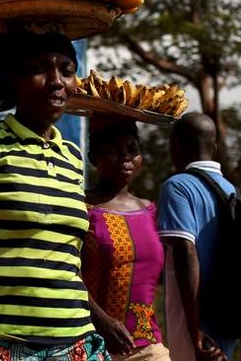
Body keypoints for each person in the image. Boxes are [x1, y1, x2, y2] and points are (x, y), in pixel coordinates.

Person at [0, 32, 111, 360]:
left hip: (74, 341)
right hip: (2, 343)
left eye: (67, 70)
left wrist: (99, 318)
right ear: (14, 77)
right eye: (40, 69)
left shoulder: (72, 156)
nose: (57, 81)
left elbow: (66, 260)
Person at [157, 113, 241, 361]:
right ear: (214, 149)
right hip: (228, 321)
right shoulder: (234, 192)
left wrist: (194, 329)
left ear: (176, 147)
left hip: (196, 326)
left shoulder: (178, 186)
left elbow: (186, 252)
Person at [82, 117, 170, 361]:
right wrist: (103, 321)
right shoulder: (82, 208)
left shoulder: (151, 211)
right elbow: (66, 272)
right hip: (92, 346)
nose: (126, 158)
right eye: (112, 151)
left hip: (148, 346)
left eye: (132, 150)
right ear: (93, 158)